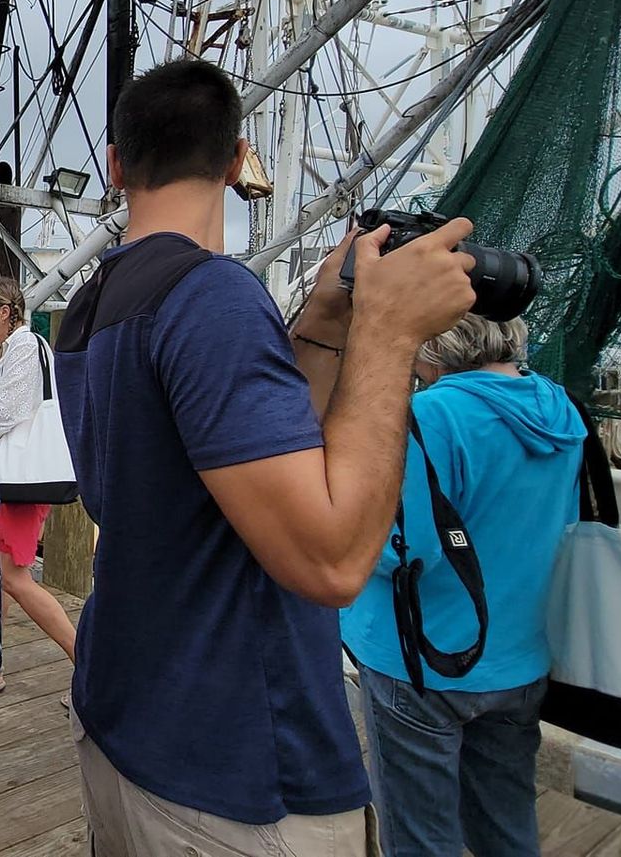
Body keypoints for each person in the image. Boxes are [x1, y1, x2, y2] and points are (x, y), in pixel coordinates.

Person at [54, 59, 477, 854]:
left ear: (115, 166)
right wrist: (386, 333)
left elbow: (230, 456)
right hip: (232, 771)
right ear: (239, 159)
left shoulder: (91, 304)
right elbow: (332, 561)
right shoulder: (211, 294)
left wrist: (321, 319)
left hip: (129, 718)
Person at [340, 314, 583, 856]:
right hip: (520, 659)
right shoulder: (557, 407)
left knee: (421, 838)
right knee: (506, 822)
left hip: (424, 662)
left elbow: (402, 551)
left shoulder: (432, 413)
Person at [0, 276, 77, 691]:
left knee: (13, 577)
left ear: (6, 313)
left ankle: (85, 660)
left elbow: (7, 411)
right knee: (2, 574)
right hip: (14, 479)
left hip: (20, 482)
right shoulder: (13, 350)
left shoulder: (26, 347)